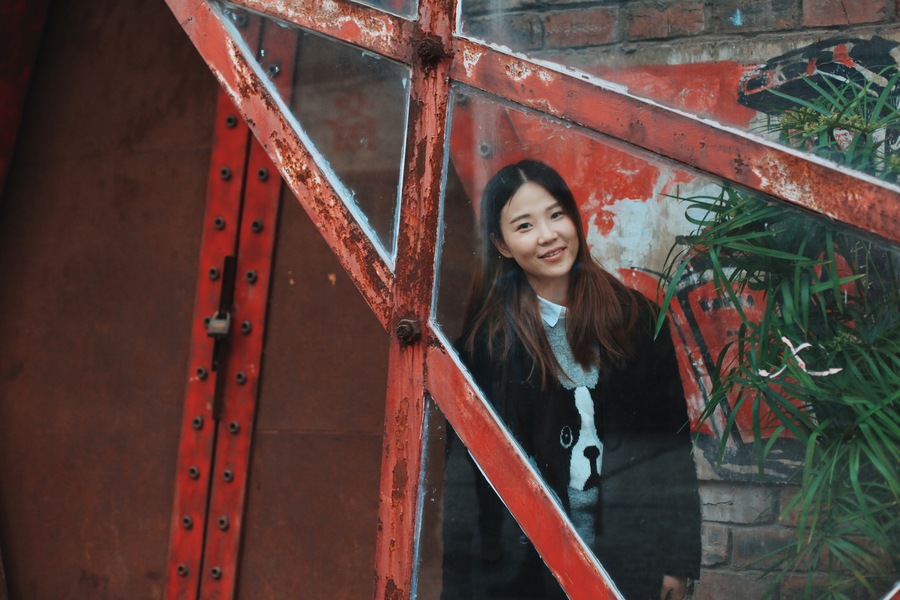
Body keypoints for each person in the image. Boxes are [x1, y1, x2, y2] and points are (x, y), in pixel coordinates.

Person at [455, 159, 702, 600]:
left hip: (629, 562)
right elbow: (467, 486)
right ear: (501, 244)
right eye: (525, 225)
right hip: (525, 575)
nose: (548, 235)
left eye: (556, 215)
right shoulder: (487, 346)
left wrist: (676, 563)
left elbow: (670, 449)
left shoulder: (635, 320)